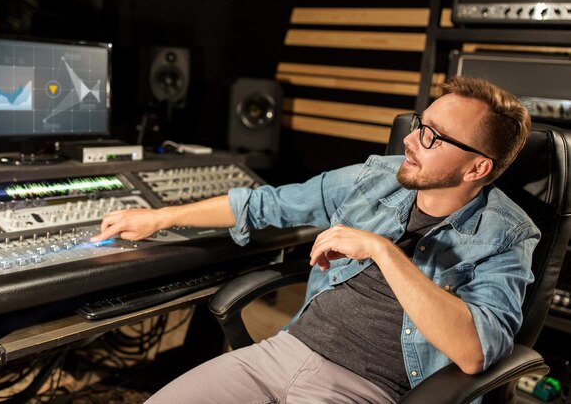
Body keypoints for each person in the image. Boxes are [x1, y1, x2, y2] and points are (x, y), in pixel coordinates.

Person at [90, 76, 539, 403]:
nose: (410, 139)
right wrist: (159, 218)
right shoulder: (376, 177)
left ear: (477, 168)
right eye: (421, 122)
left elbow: (476, 351)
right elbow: (265, 204)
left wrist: (382, 251)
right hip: (284, 351)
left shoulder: (507, 234)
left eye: (432, 137)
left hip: (367, 388)